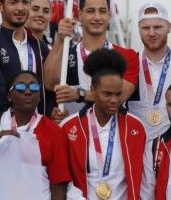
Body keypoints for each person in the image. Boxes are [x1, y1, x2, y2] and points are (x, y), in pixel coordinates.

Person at [61, 49, 145, 200]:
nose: (114, 100)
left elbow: (143, 178)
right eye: (107, 94)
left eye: (118, 94)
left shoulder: (135, 127)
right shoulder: (70, 127)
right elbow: (63, 176)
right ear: (93, 91)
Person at [0, 70, 71, 200]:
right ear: (9, 95)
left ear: (39, 95)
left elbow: (58, 182)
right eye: (20, 87)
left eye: (34, 87)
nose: (28, 92)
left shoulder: (53, 130)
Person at [43, 0, 139, 115]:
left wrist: (78, 94)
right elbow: (49, 84)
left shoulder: (126, 56)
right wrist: (61, 40)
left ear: (109, 15)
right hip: (74, 132)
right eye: (90, 11)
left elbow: (119, 97)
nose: (97, 17)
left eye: (102, 11)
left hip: (113, 132)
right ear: (80, 15)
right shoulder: (66, 55)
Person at [127, 3, 171, 140]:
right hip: (136, 147)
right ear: (139, 29)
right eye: (145, 28)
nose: (151, 33)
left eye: (157, 27)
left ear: (169, 27)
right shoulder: (129, 66)